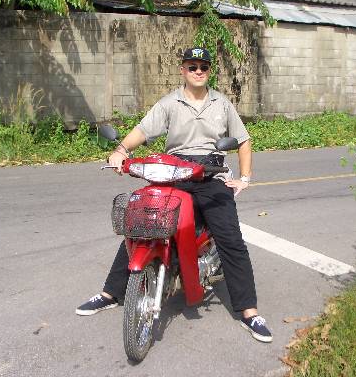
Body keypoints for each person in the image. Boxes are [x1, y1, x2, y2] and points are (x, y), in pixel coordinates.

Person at [76, 47, 272, 343]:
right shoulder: (170, 103)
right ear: (183, 70)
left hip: (210, 174)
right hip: (174, 172)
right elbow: (143, 130)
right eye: (192, 66)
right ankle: (111, 293)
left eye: (203, 66)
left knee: (231, 239)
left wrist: (244, 178)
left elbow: (243, 140)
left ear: (208, 71)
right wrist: (120, 151)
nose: (197, 71)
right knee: (143, 224)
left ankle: (248, 311)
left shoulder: (222, 104)